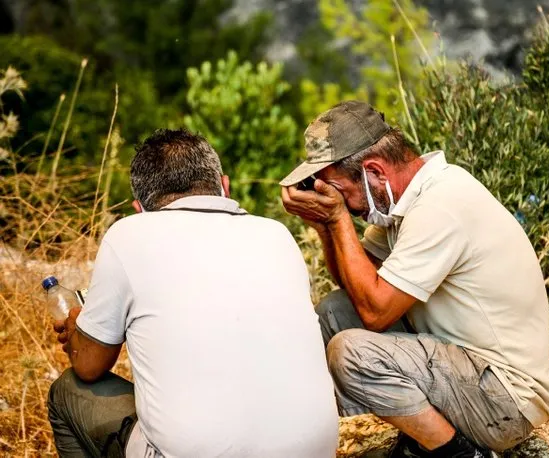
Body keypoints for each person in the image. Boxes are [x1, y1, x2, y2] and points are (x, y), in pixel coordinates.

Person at [281, 101, 549, 457]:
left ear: (374, 172)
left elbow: (376, 311)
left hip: (503, 399)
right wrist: (325, 227)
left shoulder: (439, 206)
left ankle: (456, 452)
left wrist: (338, 221)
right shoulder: (405, 202)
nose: (344, 204)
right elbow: (357, 285)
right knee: (335, 311)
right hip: (465, 367)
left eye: (339, 191)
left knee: (351, 352)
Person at [48, 128, 338, 458]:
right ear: (224, 186)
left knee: (66, 392)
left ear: (139, 208)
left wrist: (78, 331)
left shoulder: (128, 235)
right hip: (314, 452)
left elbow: (88, 367)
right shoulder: (277, 235)